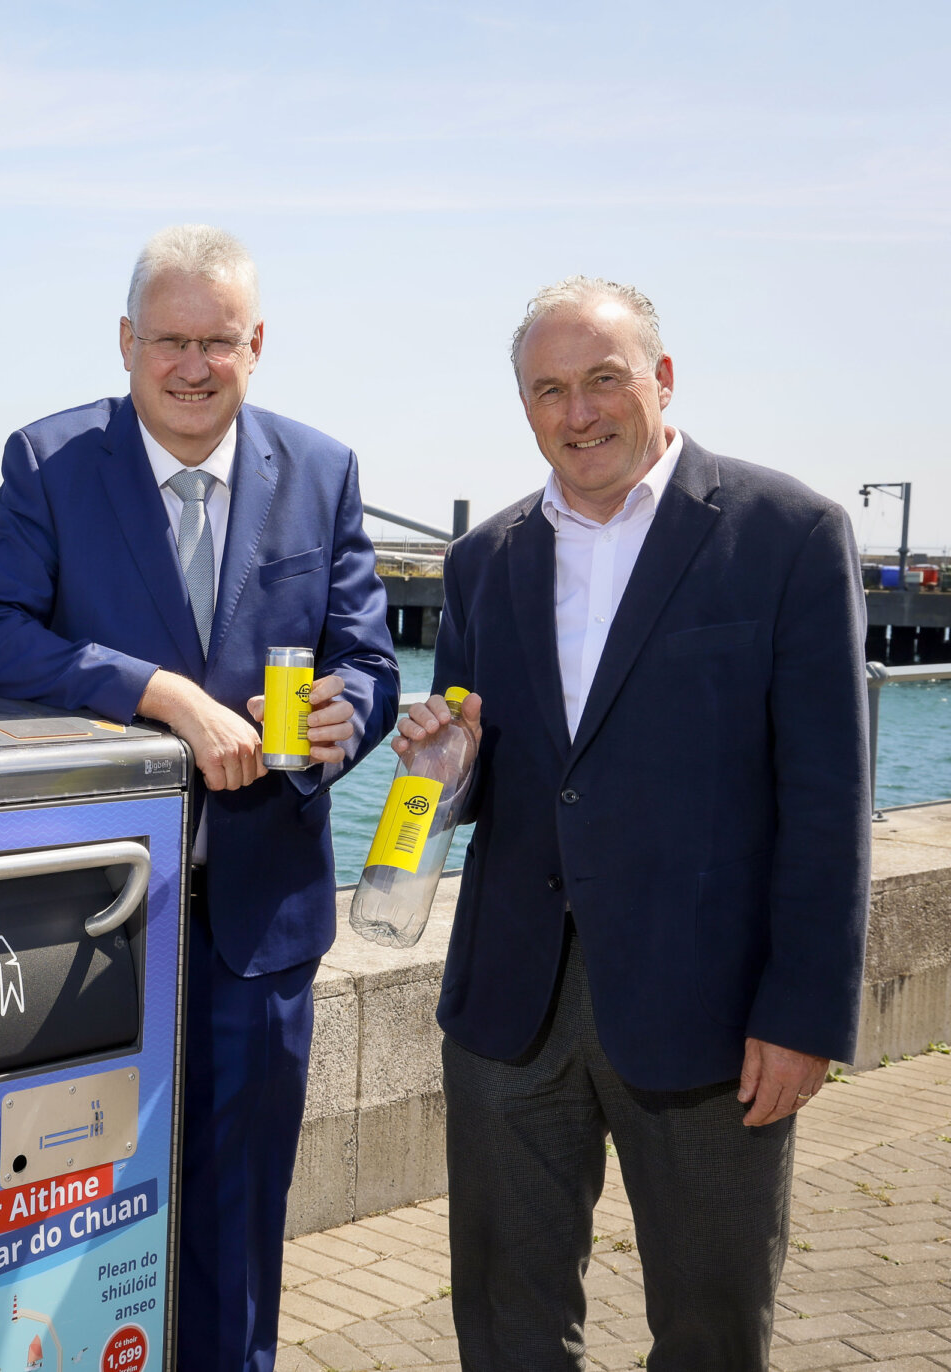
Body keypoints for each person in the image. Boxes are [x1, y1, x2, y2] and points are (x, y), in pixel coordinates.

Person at [0, 224, 398, 1371]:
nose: (192, 367)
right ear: (126, 343)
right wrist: (159, 696)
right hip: (87, 924)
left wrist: (349, 715)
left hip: (263, 919)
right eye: (168, 343)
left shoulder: (326, 468)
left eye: (218, 343)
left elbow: (372, 662)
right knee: (71, 1216)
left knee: (240, 1221)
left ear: (257, 345)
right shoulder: (50, 460)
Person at [394, 276, 871, 1369]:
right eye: (548, 389)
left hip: (712, 1020)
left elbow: (829, 798)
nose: (578, 412)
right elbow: (487, 784)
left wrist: (805, 1016)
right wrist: (445, 773)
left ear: (661, 377)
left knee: (710, 1329)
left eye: (603, 378)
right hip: (510, 1009)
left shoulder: (790, 534)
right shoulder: (484, 561)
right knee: (506, 1326)